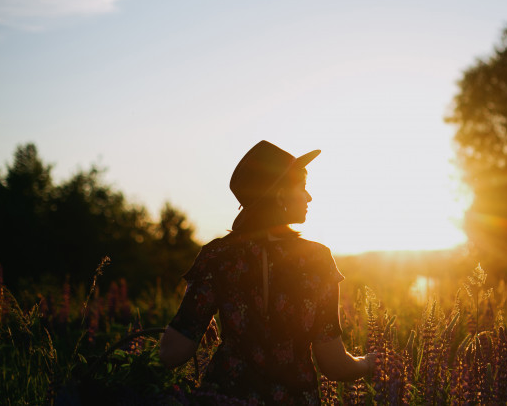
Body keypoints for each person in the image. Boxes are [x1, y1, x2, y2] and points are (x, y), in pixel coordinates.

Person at [159, 140, 376, 404]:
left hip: (224, 397)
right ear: (282, 195)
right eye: (303, 188)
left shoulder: (217, 256)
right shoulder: (316, 259)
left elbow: (172, 354)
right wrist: (367, 364)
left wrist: (197, 318)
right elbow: (334, 365)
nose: (309, 197)